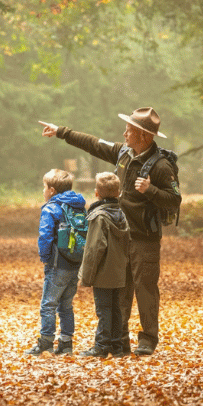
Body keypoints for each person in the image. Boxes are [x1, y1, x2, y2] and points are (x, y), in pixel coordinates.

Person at [38, 107, 181, 356]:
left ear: (144, 136)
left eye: (129, 129)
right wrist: (62, 132)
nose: (124, 133)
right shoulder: (123, 152)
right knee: (121, 288)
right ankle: (119, 339)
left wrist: (150, 190)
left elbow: (175, 199)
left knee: (145, 288)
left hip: (145, 238)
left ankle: (147, 339)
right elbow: (93, 144)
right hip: (120, 236)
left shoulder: (161, 166)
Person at [27, 169, 87, 356]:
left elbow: (45, 236)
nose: (43, 191)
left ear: (52, 190)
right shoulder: (79, 207)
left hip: (57, 263)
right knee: (66, 305)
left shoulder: (51, 208)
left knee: (48, 304)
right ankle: (66, 343)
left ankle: (45, 341)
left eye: (44, 187)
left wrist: (45, 258)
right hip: (75, 262)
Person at [78, 172, 132, 358]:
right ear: (118, 193)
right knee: (116, 308)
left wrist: (86, 276)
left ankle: (101, 347)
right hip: (118, 271)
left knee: (104, 310)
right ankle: (116, 346)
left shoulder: (98, 217)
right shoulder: (122, 215)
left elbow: (94, 250)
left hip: (102, 273)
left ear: (96, 193)